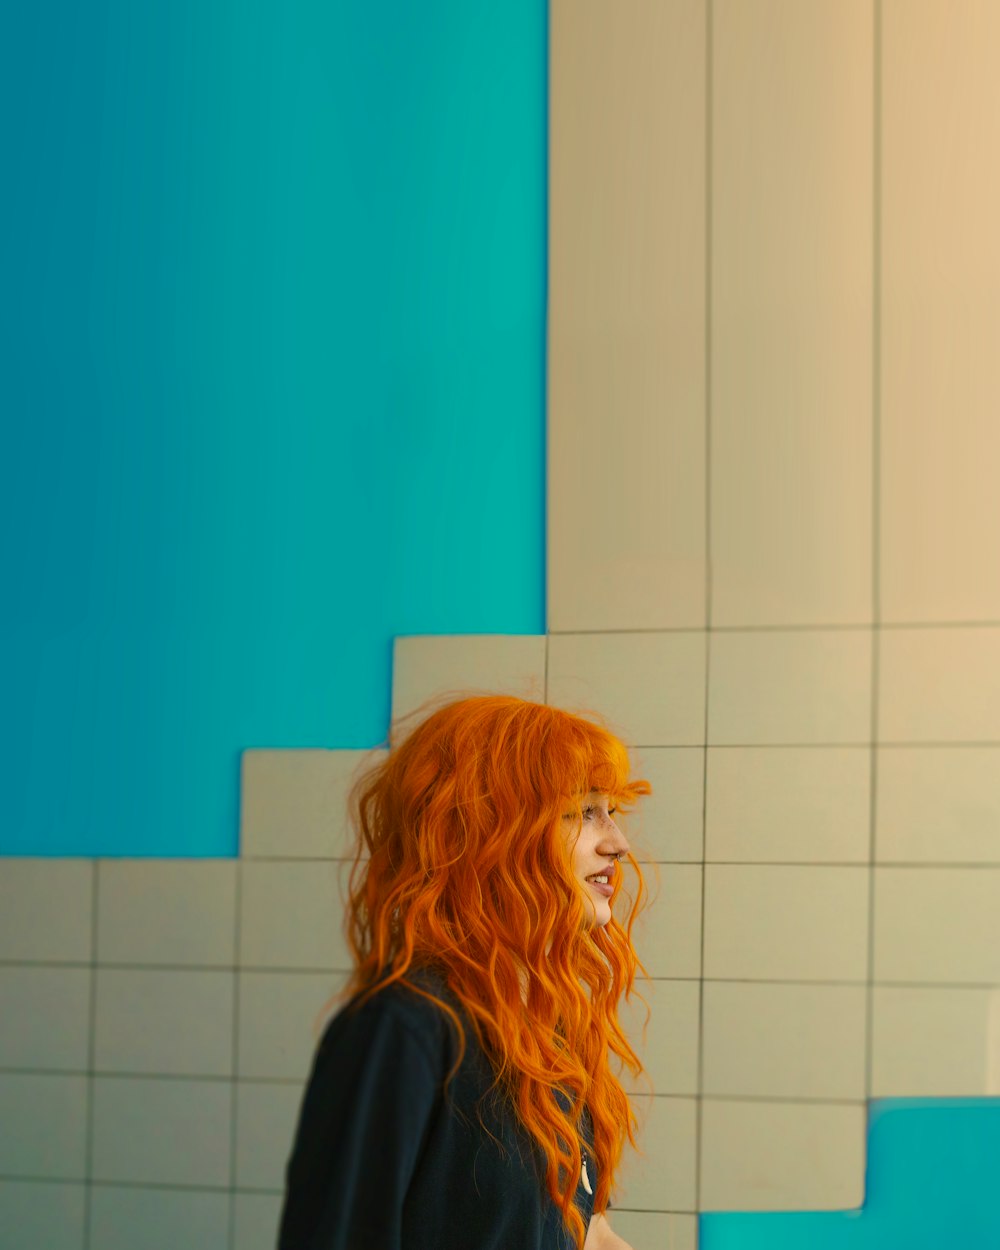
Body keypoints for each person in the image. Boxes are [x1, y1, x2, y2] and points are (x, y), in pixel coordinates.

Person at [277, 694, 652, 1250]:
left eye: (611, 812)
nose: (617, 843)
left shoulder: (548, 1024)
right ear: (484, 832)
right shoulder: (404, 1028)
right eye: (580, 812)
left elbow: (585, 1232)